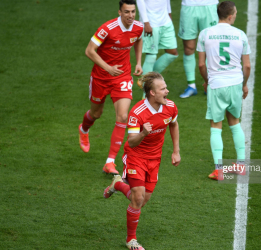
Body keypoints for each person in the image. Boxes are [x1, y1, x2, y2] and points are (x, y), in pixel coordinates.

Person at [103, 72, 180, 250]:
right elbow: (131, 141)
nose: (167, 91)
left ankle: (118, 185)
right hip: (135, 157)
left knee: (142, 201)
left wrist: (176, 151)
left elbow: (174, 124)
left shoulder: (170, 107)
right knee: (137, 198)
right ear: (152, 93)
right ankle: (131, 240)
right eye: (163, 89)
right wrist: (143, 133)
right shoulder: (136, 113)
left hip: (155, 159)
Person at [78, 0, 144, 175]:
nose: (131, 15)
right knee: (96, 114)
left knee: (123, 116)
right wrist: (108, 68)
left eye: (133, 11)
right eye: (127, 12)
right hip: (100, 77)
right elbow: (89, 50)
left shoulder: (138, 27)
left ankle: (110, 162)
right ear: (119, 12)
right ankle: (84, 129)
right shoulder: (107, 28)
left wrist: (138, 62)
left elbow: (138, 40)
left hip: (122, 76)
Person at [197, 1, 251, 180]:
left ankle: (219, 169)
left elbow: (201, 64)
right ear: (230, 16)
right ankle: (241, 164)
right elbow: (247, 66)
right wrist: (243, 85)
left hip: (216, 84)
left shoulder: (205, 34)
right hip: (235, 83)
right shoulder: (240, 35)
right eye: (235, 13)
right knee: (235, 123)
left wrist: (207, 81)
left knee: (215, 126)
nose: (235, 15)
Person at [136, 0, 178, 99]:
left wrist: (169, 14)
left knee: (173, 53)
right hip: (151, 22)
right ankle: (145, 96)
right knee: (151, 55)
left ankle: (145, 79)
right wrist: (146, 22)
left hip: (165, 21)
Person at [178, 0, 219, 98]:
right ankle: (191, 86)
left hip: (209, 6)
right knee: (189, 48)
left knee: (211, 46)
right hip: (189, 6)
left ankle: (211, 84)